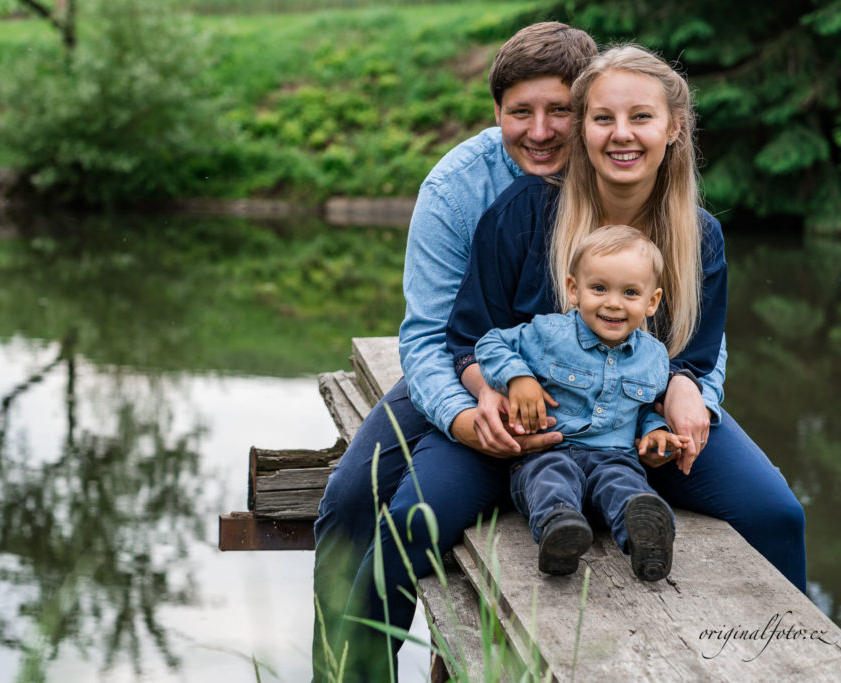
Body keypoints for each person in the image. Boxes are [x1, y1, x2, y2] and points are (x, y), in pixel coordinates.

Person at [445, 45, 805, 601]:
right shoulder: (525, 212)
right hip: (529, 436)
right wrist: (488, 392)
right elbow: (470, 335)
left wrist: (687, 387)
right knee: (414, 516)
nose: (622, 134)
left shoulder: (700, 235)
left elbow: (697, 352)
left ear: (674, 129)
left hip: (639, 431)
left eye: (641, 117)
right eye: (603, 118)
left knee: (776, 513)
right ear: (582, 130)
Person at [311, 22, 599, 682]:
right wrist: (467, 417)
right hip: (459, 368)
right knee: (349, 500)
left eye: (560, 109)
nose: (541, 130)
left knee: (415, 512)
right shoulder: (457, 187)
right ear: (496, 112)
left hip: (575, 389)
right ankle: (345, 674)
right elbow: (426, 335)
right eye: (520, 111)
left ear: (584, 109)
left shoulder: (615, 170)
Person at [474, 225, 685, 580]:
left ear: (652, 302)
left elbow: (647, 406)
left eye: (630, 292)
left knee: (625, 485)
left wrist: (657, 431)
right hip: (550, 451)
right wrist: (517, 378)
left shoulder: (654, 357)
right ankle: (560, 531)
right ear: (574, 290)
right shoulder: (550, 333)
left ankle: (645, 537)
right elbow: (489, 344)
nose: (614, 303)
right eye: (599, 288)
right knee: (550, 479)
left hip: (614, 457)